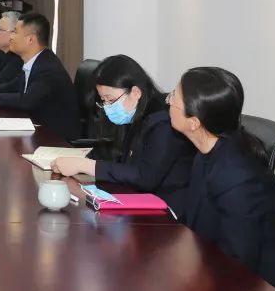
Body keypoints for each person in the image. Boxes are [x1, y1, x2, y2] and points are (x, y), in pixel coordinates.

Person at [169, 67, 275, 290]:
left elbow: (238, 261)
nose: (169, 100)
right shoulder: (208, 152)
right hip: (216, 267)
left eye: (174, 96)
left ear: (194, 122)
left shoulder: (238, 176)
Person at [52, 55, 194, 216]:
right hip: (140, 199)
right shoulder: (137, 114)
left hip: (168, 211)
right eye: (103, 100)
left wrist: (86, 166)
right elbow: (126, 163)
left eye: (110, 100)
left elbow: (145, 177)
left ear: (135, 92)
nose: (107, 107)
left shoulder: (162, 123)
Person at [0, 13, 80, 140]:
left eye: (15, 32)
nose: (11, 36)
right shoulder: (36, 62)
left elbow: (28, 100)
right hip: (39, 133)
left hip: (56, 140)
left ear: (30, 40)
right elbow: (15, 84)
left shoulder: (47, 68)